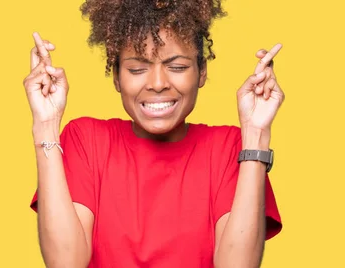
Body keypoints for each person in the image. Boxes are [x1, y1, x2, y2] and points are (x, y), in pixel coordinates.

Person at [23, 0, 285, 267]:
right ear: (116, 77)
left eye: (178, 67)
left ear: (202, 72)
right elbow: (65, 262)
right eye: (137, 69)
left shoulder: (230, 147)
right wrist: (46, 123)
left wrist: (256, 133)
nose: (158, 84)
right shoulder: (86, 139)